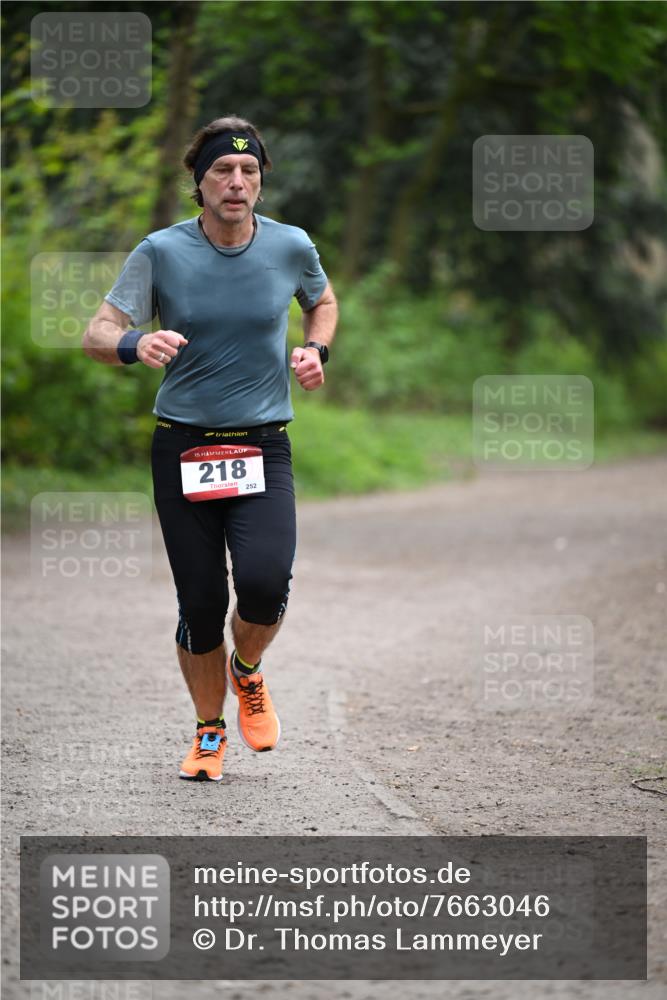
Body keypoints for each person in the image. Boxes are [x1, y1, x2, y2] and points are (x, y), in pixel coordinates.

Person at [83, 115, 338, 782]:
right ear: (199, 184)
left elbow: (323, 301)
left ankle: (246, 671)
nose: (236, 181)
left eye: (248, 170)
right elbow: (97, 331)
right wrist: (137, 344)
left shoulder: (290, 246)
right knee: (198, 604)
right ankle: (207, 732)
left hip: (261, 446)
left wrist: (315, 349)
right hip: (182, 448)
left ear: (260, 181)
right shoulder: (161, 252)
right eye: (221, 171)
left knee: (262, 584)